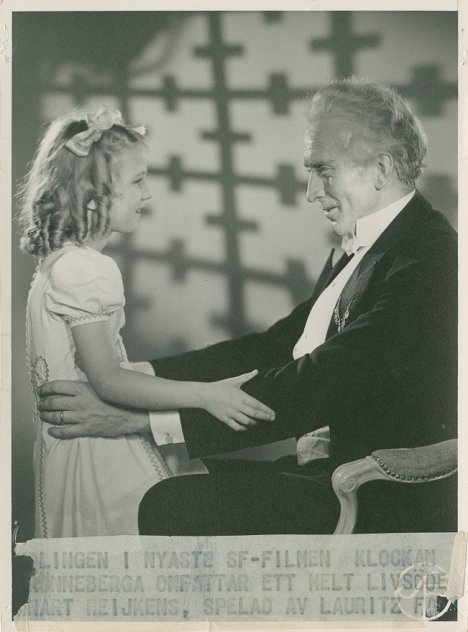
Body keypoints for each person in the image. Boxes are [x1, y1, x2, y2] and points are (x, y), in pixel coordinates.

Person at [38, 79, 457, 535]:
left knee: (168, 502)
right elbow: (275, 348)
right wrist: (139, 376)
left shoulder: (431, 255)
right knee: (165, 480)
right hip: (329, 476)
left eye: (324, 170)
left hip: (379, 497)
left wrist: (141, 419)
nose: (312, 191)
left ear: (380, 169)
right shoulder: (362, 247)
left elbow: (321, 380)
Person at [19, 105, 275, 538]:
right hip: (99, 454)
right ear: (94, 197)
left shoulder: (56, 265)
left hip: (68, 447)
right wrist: (205, 395)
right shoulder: (87, 270)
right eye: (137, 181)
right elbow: (107, 380)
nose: (148, 194)